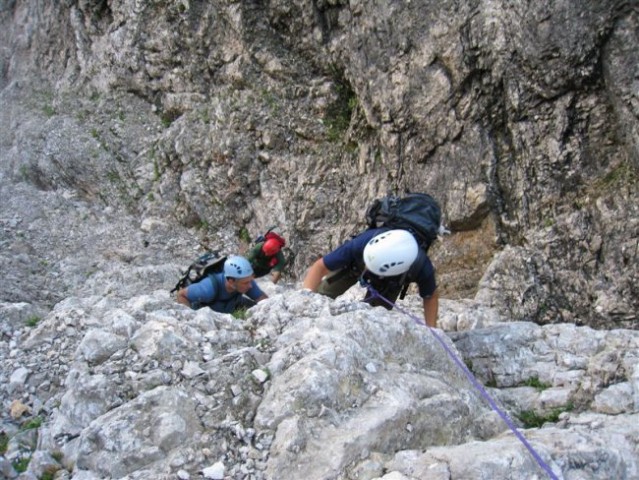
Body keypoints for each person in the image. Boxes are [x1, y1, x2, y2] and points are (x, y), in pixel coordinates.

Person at [303, 229, 438, 327]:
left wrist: (431, 331)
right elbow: (319, 267)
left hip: (391, 282)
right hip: (355, 264)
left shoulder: (421, 266)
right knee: (324, 292)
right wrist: (305, 303)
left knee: (375, 320)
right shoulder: (361, 243)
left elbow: (430, 296)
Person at [177, 255, 268, 313]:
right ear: (231, 281)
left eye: (250, 280)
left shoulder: (244, 281)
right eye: (246, 283)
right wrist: (191, 315)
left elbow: (262, 299)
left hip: (231, 305)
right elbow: (181, 295)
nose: (250, 285)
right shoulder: (208, 288)